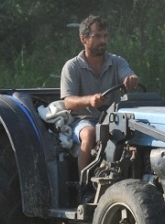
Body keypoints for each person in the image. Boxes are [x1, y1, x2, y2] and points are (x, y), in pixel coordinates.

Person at [60, 15, 141, 176]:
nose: (103, 40)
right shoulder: (72, 67)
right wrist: (89, 100)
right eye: (97, 36)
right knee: (90, 133)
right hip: (83, 121)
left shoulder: (117, 62)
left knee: (140, 133)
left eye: (105, 36)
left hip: (114, 119)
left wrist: (131, 79)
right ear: (84, 39)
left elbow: (128, 74)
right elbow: (68, 101)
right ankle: (84, 186)